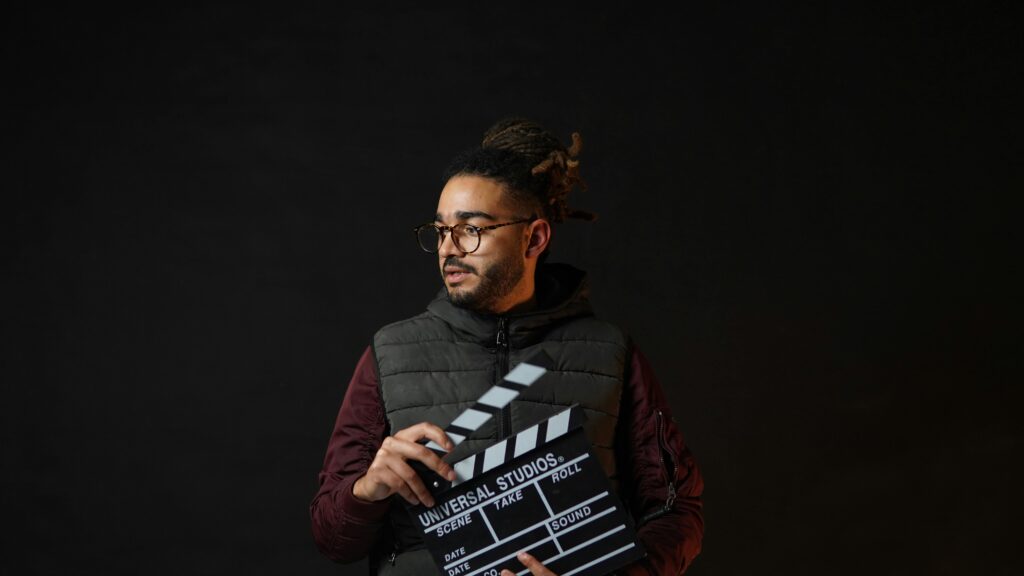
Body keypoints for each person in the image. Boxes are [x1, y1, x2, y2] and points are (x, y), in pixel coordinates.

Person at [310, 117, 704, 576]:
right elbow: (331, 536)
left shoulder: (610, 353)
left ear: (534, 237)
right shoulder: (390, 353)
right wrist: (367, 491)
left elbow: (676, 510)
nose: (449, 249)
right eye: (440, 231)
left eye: (471, 229)